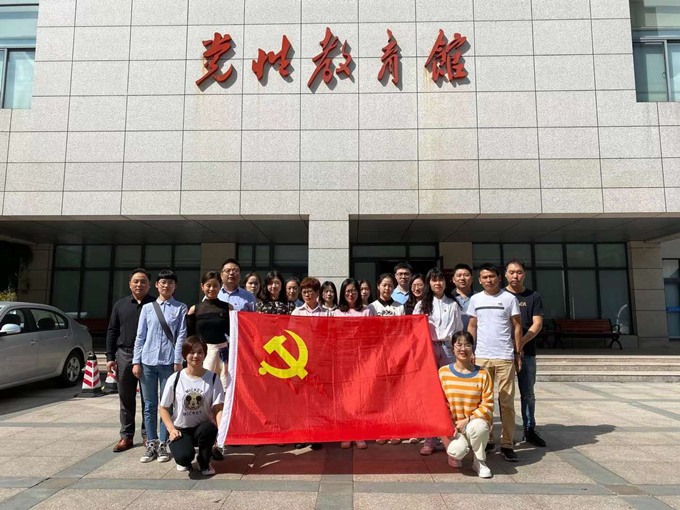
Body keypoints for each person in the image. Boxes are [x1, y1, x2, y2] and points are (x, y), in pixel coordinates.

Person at [466, 263, 522, 462]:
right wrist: (471, 351)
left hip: (504, 356)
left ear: (499, 277)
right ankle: (488, 439)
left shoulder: (509, 298)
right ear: (479, 280)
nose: (488, 280)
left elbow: (517, 327)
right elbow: (472, 326)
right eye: (484, 277)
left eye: (491, 276)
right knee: (484, 402)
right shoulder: (475, 299)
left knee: (506, 402)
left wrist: (518, 352)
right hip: (482, 356)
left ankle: (507, 444)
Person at [133, 269, 188, 464]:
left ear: (175, 286)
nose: (166, 286)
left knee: (167, 404)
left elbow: (181, 335)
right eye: (163, 282)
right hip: (147, 362)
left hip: (168, 363)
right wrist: (136, 361)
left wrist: (178, 360)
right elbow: (140, 336)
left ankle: (164, 443)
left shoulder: (180, 308)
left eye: (170, 283)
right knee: (149, 405)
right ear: (156, 285)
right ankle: (151, 443)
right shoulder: (148, 308)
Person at [414, 267, 464, 456]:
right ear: (429, 283)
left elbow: (458, 330)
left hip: (448, 349)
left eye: (440, 279)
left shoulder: (453, 304)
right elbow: (415, 330)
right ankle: (430, 439)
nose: (437, 283)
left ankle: (450, 436)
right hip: (428, 349)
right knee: (430, 393)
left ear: (446, 282)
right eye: (434, 280)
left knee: (449, 393)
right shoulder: (422, 304)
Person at [159, 336, 224, 476]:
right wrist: (171, 429)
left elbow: (218, 408)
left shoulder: (213, 378)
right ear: (184, 355)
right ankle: (184, 458)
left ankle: (204, 461)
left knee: (209, 428)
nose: (196, 356)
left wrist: (221, 432)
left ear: (205, 354)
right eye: (192, 352)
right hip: (181, 430)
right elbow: (163, 408)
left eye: (200, 352)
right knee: (184, 458)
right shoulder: (175, 378)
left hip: (203, 428)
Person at [106, 268, 154, 452]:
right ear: (130, 284)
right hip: (125, 354)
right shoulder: (120, 305)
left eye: (143, 281)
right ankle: (126, 436)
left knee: (148, 398)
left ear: (149, 285)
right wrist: (110, 357)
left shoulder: (155, 304)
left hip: (148, 356)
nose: (139, 284)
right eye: (136, 281)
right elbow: (112, 331)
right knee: (126, 398)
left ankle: (147, 435)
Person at [186, 270, 231, 461]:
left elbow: (236, 333)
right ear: (202, 287)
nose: (212, 289)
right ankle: (207, 440)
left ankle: (222, 441)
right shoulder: (194, 309)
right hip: (204, 354)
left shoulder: (227, 307)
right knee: (205, 395)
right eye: (208, 285)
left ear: (220, 287)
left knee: (225, 396)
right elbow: (189, 339)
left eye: (215, 285)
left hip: (225, 354)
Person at [439, 331, 493, 478]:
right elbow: (440, 403)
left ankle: (479, 461)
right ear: (452, 348)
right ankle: (454, 453)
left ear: (473, 348)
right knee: (457, 451)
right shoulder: (443, 373)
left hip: (472, 423)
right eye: (459, 345)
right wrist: (449, 424)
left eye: (468, 345)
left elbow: (487, 405)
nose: (463, 349)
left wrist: (467, 421)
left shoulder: (483, 374)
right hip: (451, 426)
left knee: (480, 427)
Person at [504, 259, 546, 448]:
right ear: (506, 274)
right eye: (511, 272)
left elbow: (537, 324)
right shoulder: (500, 295)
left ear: (524, 274)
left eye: (519, 272)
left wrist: (520, 343)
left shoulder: (533, 296)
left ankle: (529, 429)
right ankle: (506, 432)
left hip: (527, 352)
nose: (515, 275)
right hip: (503, 353)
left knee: (528, 393)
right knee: (504, 394)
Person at [291, 277, 328, 451]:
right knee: (301, 400)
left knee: (318, 400)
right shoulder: (297, 312)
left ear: (317, 293)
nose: (306, 295)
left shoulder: (326, 313)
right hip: (301, 363)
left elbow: (330, 336)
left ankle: (317, 434)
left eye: (310, 292)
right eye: (304, 292)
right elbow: (291, 337)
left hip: (320, 361)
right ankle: (301, 435)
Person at [333, 278, 370, 450]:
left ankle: (360, 434)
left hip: (362, 360)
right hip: (343, 360)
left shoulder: (367, 311)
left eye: (354, 290)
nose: (351, 294)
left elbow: (373, 335)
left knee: (361, 397)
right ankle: (346, 433)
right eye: (347, 291)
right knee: (345, 398)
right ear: (342, 293)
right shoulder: (337, 313)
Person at [451, 263, 475, 332]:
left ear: (472, 278)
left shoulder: (479, 297)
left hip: (475, 337)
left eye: (466, 275)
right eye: (459, 275)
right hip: (454, 337)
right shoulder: (448, 298)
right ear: (453, 279)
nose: (462, 278)